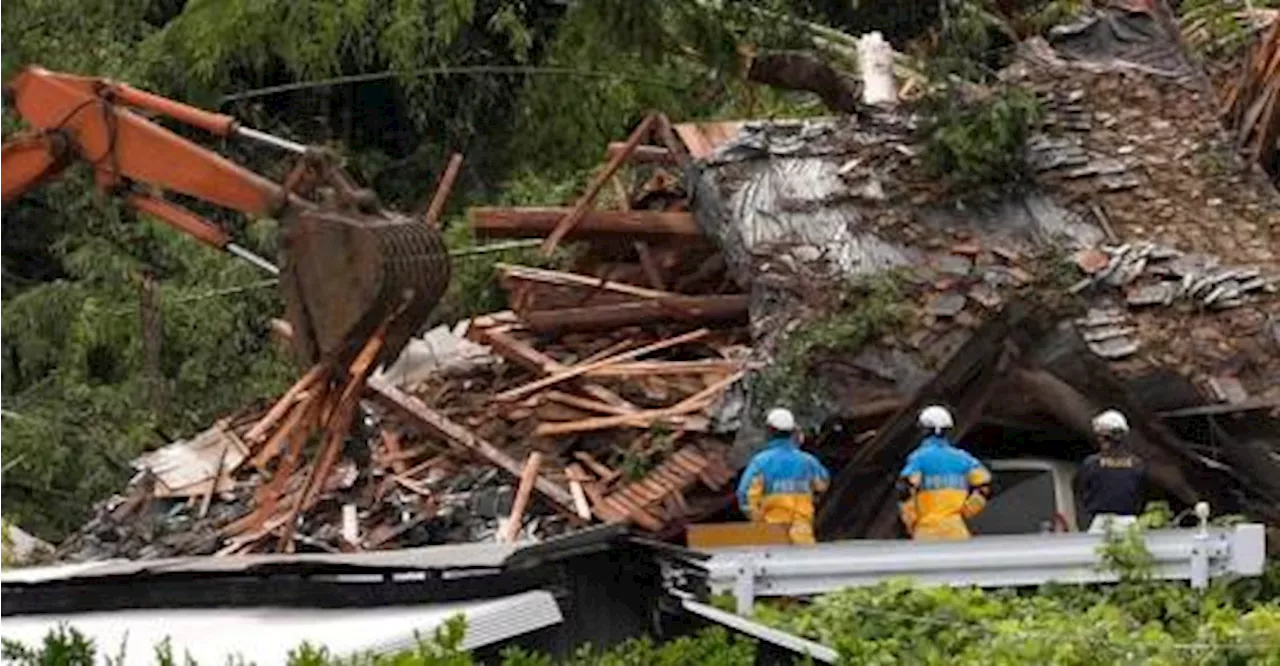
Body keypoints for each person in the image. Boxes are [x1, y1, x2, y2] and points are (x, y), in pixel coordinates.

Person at [736, 408, 831, 545]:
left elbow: (745, 496)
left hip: (771, 534)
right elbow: (823, 484)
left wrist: (758, 521)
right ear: (792, 432)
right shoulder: (808, 461)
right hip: (802, 534)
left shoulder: (761, 462)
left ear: (768, 432)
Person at [897, 405, 992, 541]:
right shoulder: (963, 458)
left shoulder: (918, 458)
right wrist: (966, 511)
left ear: (923, 430)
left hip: (926, 530)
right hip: (956, 530)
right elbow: (985, 486)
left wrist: (911, 521)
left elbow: (904, 490)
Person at [1075, 409, 1146, 533]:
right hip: (1129, 523)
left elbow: (1080, 493)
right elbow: (1142, 495)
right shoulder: (1137, 464)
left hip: (1101, 524)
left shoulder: (1091, 464)